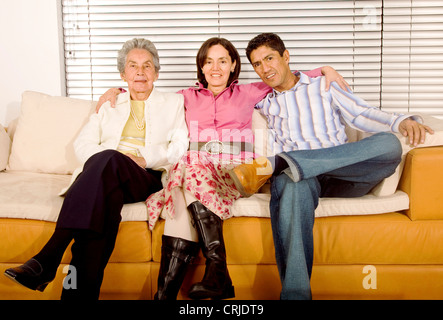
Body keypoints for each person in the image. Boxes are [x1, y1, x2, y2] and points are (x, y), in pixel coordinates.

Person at [96, 37, 349, 300]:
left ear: (233, 65)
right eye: (208, 62)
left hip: (236, 172)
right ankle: (199, 279)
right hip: (197, 171)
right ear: (201, 68)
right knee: (185, 180)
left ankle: (211, 272)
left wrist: (323, 71)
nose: (215, 68)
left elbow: (284, 78)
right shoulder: (184, 97)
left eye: (222, 61)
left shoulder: (249, 91)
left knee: (187, 168)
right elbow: (147, 95)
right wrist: (117, 90)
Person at [229, 33, 434, 300]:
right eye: (257, 64)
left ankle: (282, 163)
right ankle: (296, 296)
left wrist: (401, 121)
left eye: (269, 58)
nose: (265, 68)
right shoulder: (261, 102)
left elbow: (361, 114)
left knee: (388, 144)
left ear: (285, 56)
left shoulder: (322, 86)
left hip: (343, 173)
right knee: (290, 182)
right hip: (302, 181)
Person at [3, 38, 189, 300]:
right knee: (102, 211)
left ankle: (49, 255)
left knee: (109, 160)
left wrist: (144, 159)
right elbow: (83, 145)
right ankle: (78, 296)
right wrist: (109, 159)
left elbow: (180, 145)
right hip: (106, 178)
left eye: (147, 66)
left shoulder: (173, 103)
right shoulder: (109, 105)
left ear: (156, 73)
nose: (140, 72)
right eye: (133, 66)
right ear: (123, 74)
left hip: (145, 176)